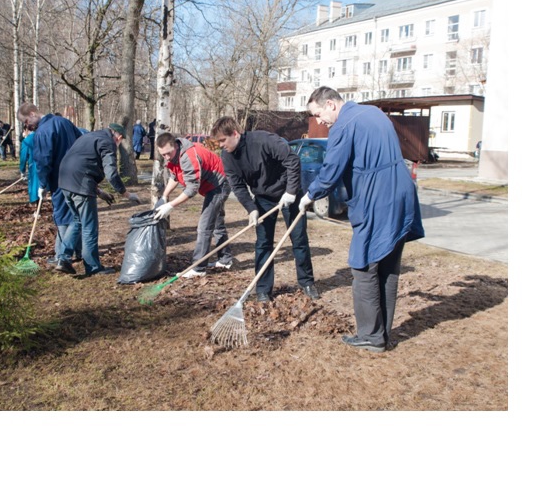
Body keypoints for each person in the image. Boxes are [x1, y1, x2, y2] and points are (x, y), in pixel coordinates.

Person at [303, 86, 425, 353]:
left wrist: (309, 194)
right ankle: (381, 333)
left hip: (378, 197)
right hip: (401, 192)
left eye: (319, 113)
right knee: (388, 264)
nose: (319, 121)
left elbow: (332, 169)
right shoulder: (374, 113)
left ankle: (370, 335)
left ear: (332, 105)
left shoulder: (344, 125)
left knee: (363, 265)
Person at [210, 116, 319, 302]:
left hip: (288, 192)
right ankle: (263, 289)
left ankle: (307, 282)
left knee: (299, 239)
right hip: (263, 198)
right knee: (263, 243)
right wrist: (251, 209)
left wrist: (291, 191)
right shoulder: (227, 157)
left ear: (235, 134)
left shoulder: (264, 140)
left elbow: (292, 161)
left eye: (222, 140)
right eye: (218, 142)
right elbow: (237, 186)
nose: (220, 145)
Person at [56, 123, 142, 276]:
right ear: (119, 137)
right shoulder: (108, 142)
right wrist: (127, 194)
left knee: (77, 220)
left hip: (64, 182)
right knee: (89, 227)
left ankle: (63, 258)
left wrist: (99, 192)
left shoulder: (89, 136)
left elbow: (83, 164)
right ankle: (93, 267)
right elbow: (111, 174)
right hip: (80, 185)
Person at [154, 132, 233, 278]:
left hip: (219, 185)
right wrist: (164, 196)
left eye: (168, 153)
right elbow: (174, 176)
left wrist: (170, 205)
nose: (166, 157)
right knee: (216, 223)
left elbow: (191, 189)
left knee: (204, 226)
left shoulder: (189, 156)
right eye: (162, 154)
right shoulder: (174, 155)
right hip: (212, 186)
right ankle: (225, 260)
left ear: (175, 146)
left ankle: (199, 268)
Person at [17, 102, 83, 266]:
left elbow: (43, 161)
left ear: (33, 113)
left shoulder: (43, 132)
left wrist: (42, 184)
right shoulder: (64, 122)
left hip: (59, 179)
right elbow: (81, 141)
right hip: (77, 177)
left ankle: (61, 254)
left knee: (62, 216)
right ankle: (79, 251)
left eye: (26, 121)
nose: (27, 126)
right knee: (76, 214)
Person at [19, 128, 39, 204]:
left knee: (34, 187)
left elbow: (23, 157)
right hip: (47, 165)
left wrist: (22, 170)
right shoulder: (43, 136)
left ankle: (37, 208)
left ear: (26, 130)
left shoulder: (27, 140)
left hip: (34, 166)